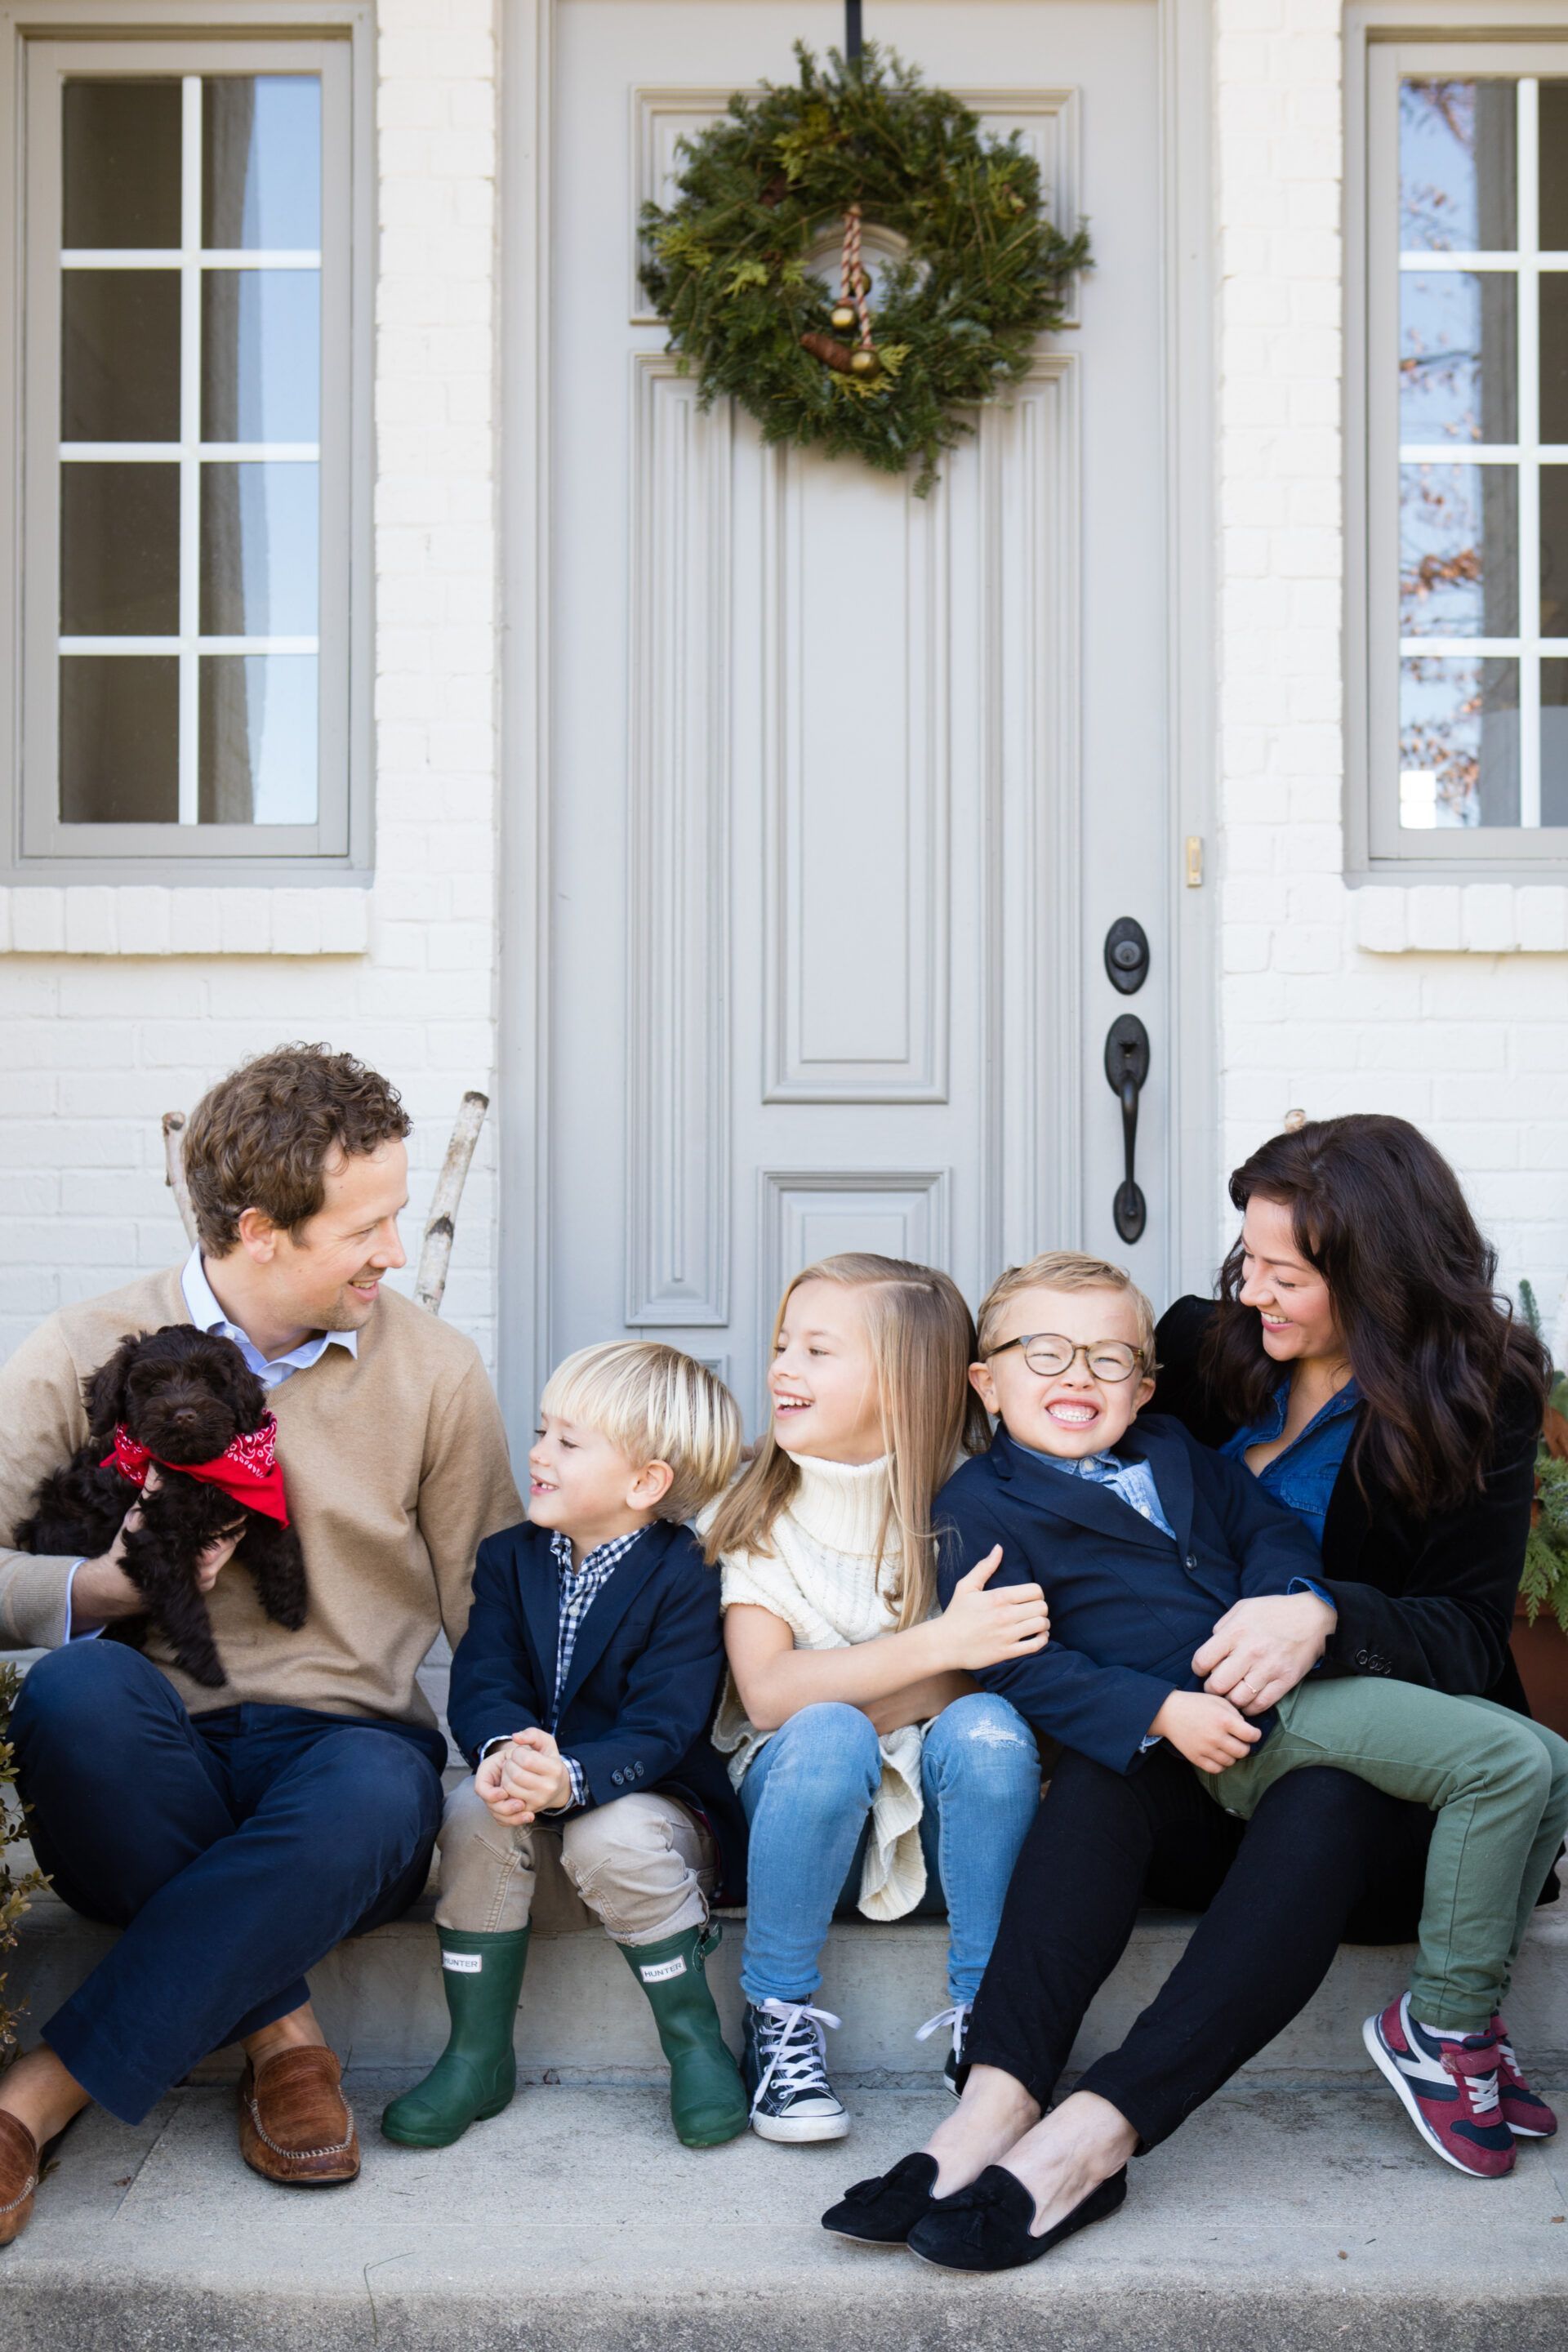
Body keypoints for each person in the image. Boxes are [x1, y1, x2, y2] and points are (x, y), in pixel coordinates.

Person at [823, 1117, 1559, 2270]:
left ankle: (1096, 2134)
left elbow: (1465, 1636)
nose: (1250, 1287)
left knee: (1324, 1796)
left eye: (1288, 1273)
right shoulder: (1200, 1352)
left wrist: (1321, 1611)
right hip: (1202, 1747)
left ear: (1377, 1274)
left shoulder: (1486, 1391)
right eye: (1248, 1254)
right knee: (1108, 1783)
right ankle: (993, 2105)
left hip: (1366, 1788)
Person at [0, 1045, 522, 2246]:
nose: (396, 1252)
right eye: (368, 1226)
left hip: (344, 1764)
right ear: (260, 1231)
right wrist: (100, 1586)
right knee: (76, 1696)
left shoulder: (433, 1369)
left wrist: (534, 1749)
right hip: (143, 1759)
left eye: (399, 1217)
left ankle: (39, 2093)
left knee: (373, 1787)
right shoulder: (87, 1349)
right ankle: (283, 2032)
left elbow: (489, 1606)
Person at [707, 1252, 1047, 2145]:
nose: (783, 1368)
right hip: (801, 1821)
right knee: (823, 1736)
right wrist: (936, 1648)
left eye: (819, 1351)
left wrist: (930, 1679)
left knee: (990, 1727)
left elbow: (998, 1672)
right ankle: (777, 2017)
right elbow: (771, 1694)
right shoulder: (757, 1511)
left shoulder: (978, 1502)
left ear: (903, 1383)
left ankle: (990, 2021)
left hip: (947, 1838)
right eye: (784, 1344)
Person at [381, 1340, 750, 2153]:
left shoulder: (689, 1574)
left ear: (646, 1482)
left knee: (606, 1830)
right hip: (538, 1828)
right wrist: (507, 1758)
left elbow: (666, 1723)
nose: (537, 1454)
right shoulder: (510, 1559)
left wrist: (575, 1779)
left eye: (568, 1442)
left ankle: (694, 2044)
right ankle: (476, 2056)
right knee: (471, 1810)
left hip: (653, 1829)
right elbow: (484, 1680)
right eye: (543, 1430)